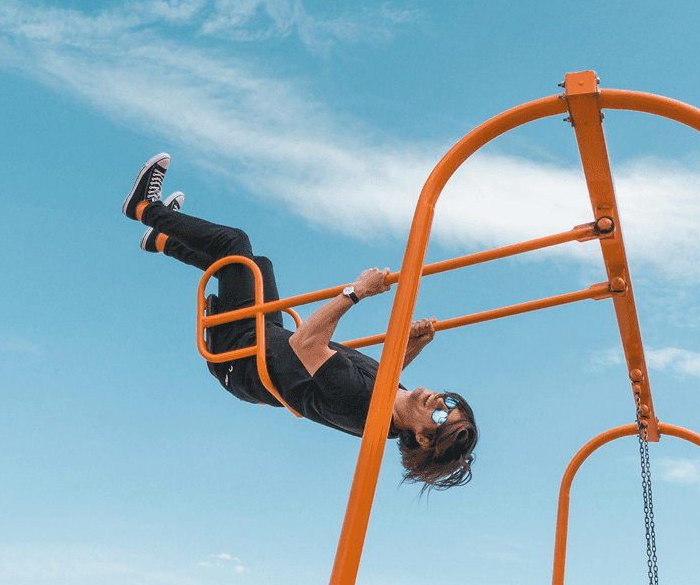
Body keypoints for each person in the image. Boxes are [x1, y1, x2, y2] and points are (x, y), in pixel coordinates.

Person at [122, 153, 477, 491]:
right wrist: (413, 344)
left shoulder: (362, 405)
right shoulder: (390, 401)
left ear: (421, 437)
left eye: (442, 418)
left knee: (234, 244)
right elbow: (382, 369)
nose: (439, 402)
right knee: (257, 265)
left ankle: (143, 208)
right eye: (450, 402)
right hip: (264, 340)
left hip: (242, 355)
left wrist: (356, 291)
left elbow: (306, 344)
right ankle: (165, 239)